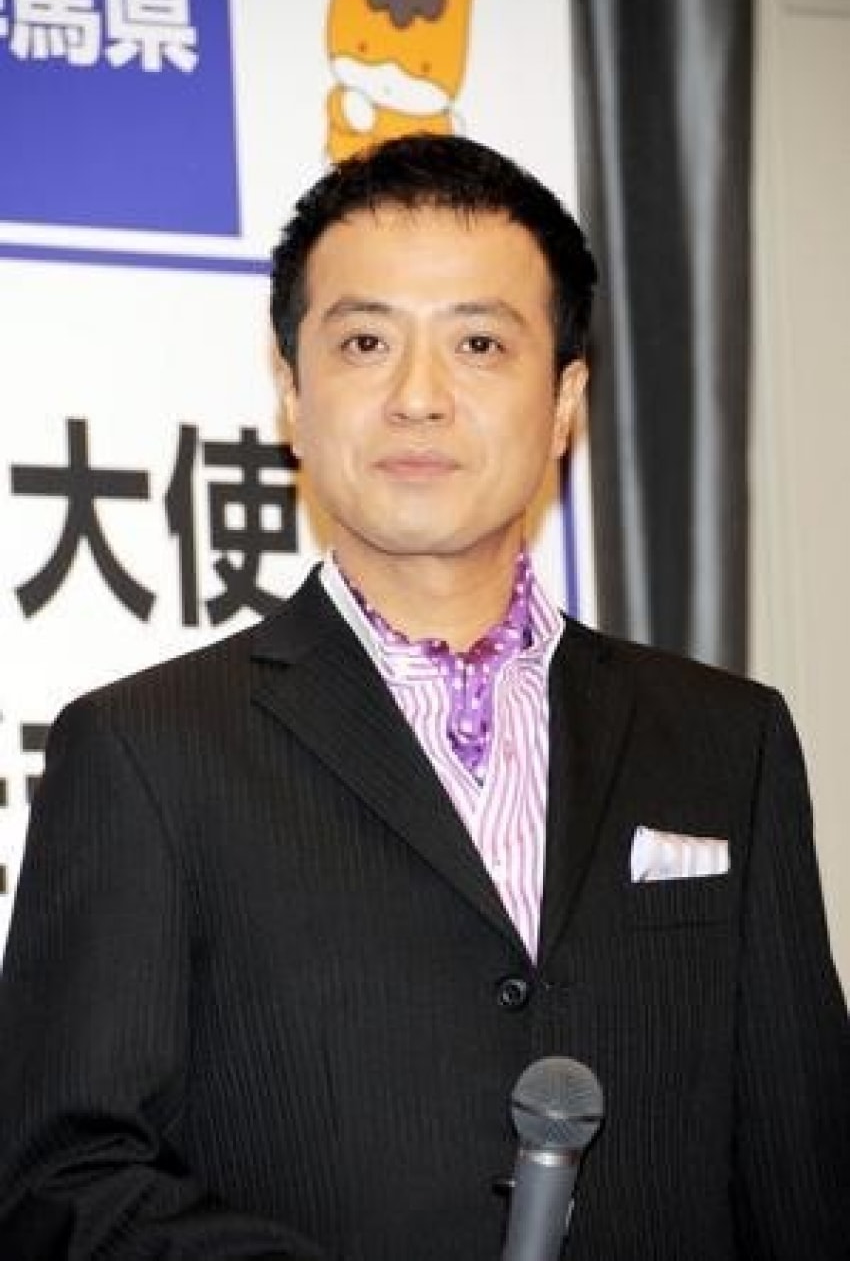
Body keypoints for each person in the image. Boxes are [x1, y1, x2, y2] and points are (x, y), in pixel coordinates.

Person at [0, 134, 846, 1261]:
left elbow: (804, 1169)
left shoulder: (727, 739)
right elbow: (61, 1180)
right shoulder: (146, 749)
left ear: (563, 400)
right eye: (365, 342)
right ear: (293, 392)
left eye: (479, 343)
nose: (417, 398)